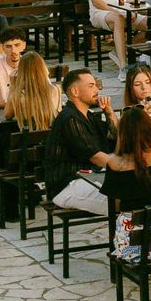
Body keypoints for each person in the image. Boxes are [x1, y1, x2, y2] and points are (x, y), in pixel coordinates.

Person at [0, 53, 62, 213]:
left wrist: (13, 85)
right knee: (5, 144)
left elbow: (7, 115)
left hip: (25, 158)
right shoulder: (55, 90)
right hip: (46, 150)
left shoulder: (19, 96)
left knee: (2, 145)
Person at [44, 68, 118, 215]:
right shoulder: (70, 119)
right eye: (91, 86)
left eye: (95, 85)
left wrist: (109, 112)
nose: (97, 89)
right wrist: (128, 168)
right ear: (75, 92)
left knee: (134, 193)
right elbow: (96, 156)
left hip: (89, 177)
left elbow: (116, 138)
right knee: (122, 200)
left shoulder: (89, 116)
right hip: (67, 185)